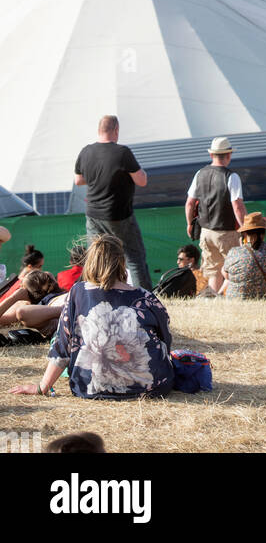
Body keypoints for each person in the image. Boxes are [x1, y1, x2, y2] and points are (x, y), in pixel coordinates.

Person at [10, 234, 174, 400]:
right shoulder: (144, 296)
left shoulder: (78, 292)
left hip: (90, 386)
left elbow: (63, 343)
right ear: (121, 262)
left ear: (91, 262)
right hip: (152, 384)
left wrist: (42, 387)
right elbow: (165, 336)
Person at [74, 115, 152, 291]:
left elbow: (78, 180)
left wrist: (98, 177)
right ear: (116, 130)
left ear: (99, 130)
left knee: (96, 255)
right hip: (118, 215)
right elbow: (142, 180)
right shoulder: (122, 152)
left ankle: (93, 293)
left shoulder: (86, 151)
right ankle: (144, 296)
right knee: (133, 256)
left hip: (93, 213)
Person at [184, 136, 246, 293]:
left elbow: (190, 203)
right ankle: (225, 299)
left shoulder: (199, 174)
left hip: (205, 232)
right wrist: (246, 227)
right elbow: (237, 206)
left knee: (213, 272)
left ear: (211, 155)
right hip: (227, 232)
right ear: (229, 155)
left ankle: (214, 300)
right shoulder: (232, 177)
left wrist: (190, 223)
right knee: (234, 269)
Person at [222, 212, 266, 300]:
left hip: (237, 302)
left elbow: (226, 276)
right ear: (264, 232)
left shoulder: (234, 252)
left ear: (245, 234)